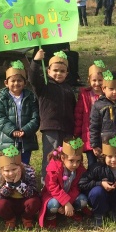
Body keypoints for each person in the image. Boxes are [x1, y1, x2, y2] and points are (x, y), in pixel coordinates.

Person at [29, 50, 76, 180]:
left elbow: (73, 108)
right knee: (51, 156)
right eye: (55, 70)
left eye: (62, 71)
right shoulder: (44, 86)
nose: (58, 73)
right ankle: (48, 184)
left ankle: (64, 182)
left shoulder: (68, 89)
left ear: (67, 73)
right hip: (51, 128)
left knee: (66, 156)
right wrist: (36, 61)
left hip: (67, 129)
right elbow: (33, 77)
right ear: (48, 71)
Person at [79, 134, 116, 227]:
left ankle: (114, 210)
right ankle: (98, 213)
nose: (113, 160)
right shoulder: (96, 168)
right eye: (110, 156)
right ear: (104, 156)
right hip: (101, 197)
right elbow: (82, 183)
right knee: (97, 192)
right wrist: (100, 183)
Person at [0, 61, 40, 166]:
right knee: (9, 166)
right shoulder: (1, 98)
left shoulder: (31, 98)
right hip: (8, 140)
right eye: (13, 81)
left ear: (25, 83)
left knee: (24, 165)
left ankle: (24, 176)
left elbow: (36, 117)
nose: (16, 83)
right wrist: (12, 130)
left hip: (25, 140)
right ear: (6, 83)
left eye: (19, 80)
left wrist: (26, 130)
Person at [39, 138, 89, 229]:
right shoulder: (54, 168)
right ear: (63, 158)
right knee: (53, 204)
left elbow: (76, 187)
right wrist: (65, 202)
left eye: (78, 161)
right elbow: (52, 187)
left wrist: (68, 202)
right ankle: (51, 217)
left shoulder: (79, 170)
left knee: (83, 200)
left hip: (70, 195)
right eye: (71, 161)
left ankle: (71, 212)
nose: (75, 164)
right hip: (53, 196)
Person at [0, 145, 41, 230]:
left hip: (25, 202)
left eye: (14, 169)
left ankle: (27, 218)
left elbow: (32, 193)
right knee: (0, 205)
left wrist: (18, 184)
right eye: (7, 171)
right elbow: (0, 196)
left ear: (20, 167)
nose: (11, 173)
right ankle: (10, 219)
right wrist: (9, 184)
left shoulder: (29, 171)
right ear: (2, 171)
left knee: (34, 202)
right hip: (10, 203)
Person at [74, 60, 107, 168]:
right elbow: (79, 115)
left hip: (104, 134)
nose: (97, 83)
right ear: (89, 80)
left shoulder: (108, 94)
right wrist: (77, 133)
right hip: (89, 135)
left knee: (105, 162)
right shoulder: (85, 95)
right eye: (94, 80)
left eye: (100, 80)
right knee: (92, 163)